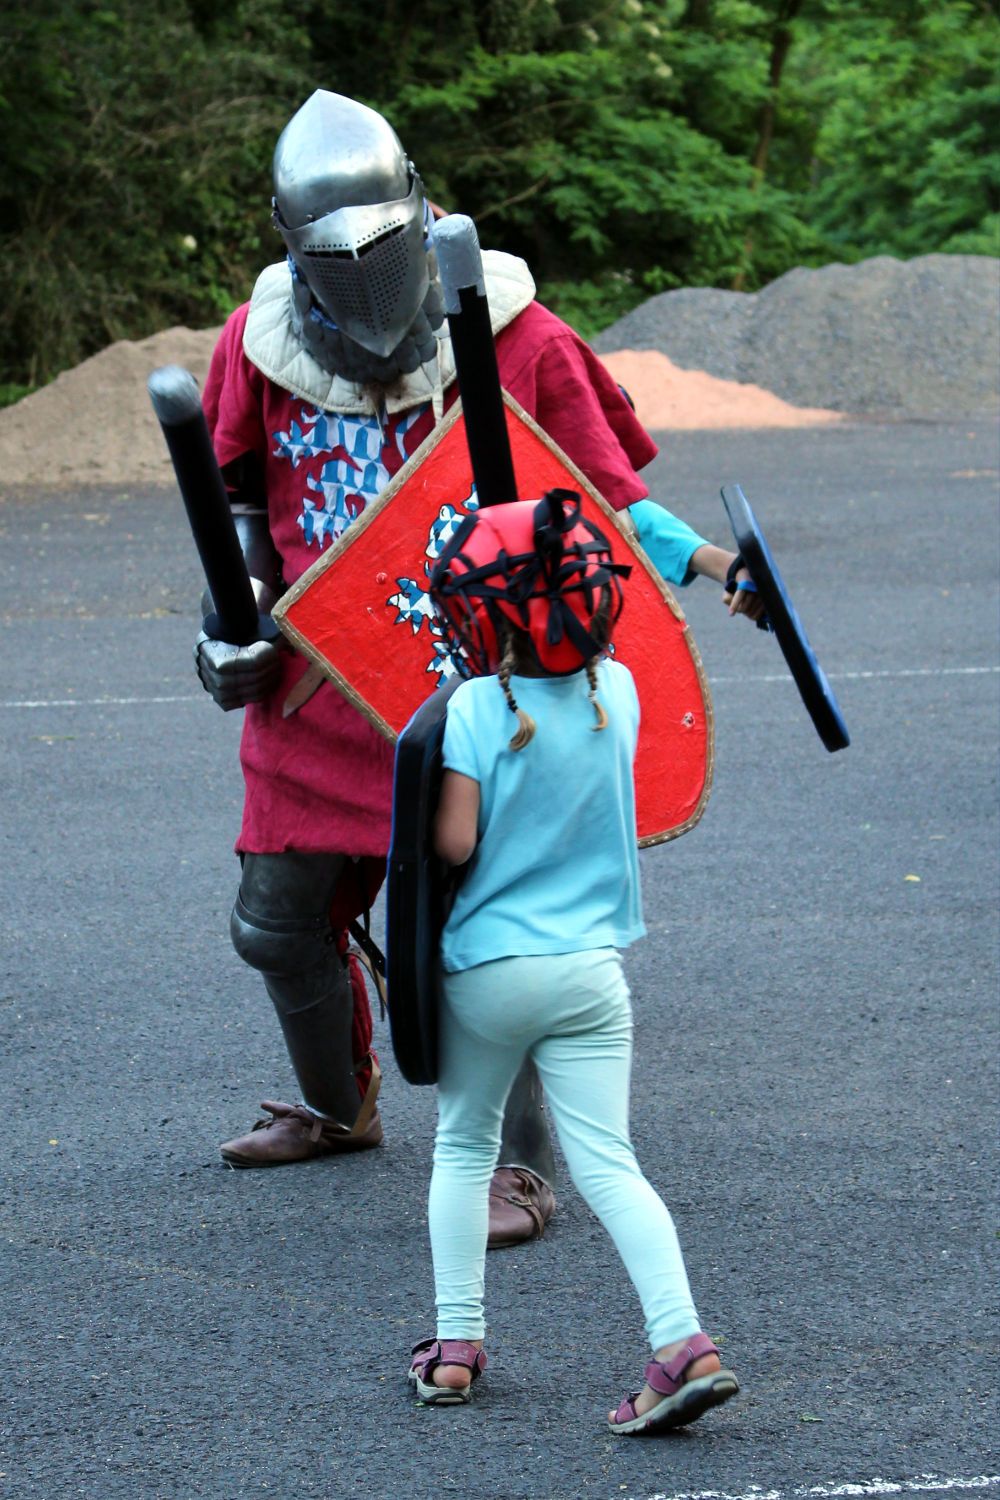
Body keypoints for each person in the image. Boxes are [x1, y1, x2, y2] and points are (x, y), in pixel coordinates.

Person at [196, 88, 761, 1246]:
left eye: (380, 242)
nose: (359, 270)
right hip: (318, 683)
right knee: (275, 920)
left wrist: (709, 564)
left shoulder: (513, 336)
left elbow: (604, 506)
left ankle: (518, 1164)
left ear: (417, 208)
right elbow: (243, 519)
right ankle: (336, 1103)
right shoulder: (254, 348)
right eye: (328, 252)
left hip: (487, 685)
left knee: (487, 931)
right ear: (282, 234)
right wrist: (227, 631)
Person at [406, 492, 739, 1434]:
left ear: (483, 615)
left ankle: (457, 1347)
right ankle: (683, 1343)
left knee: (465, 1148)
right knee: (612, 1166)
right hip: (593, 974)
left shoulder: (474, 707)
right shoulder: (620, 692)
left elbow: (458, 845)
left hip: (488, 970)